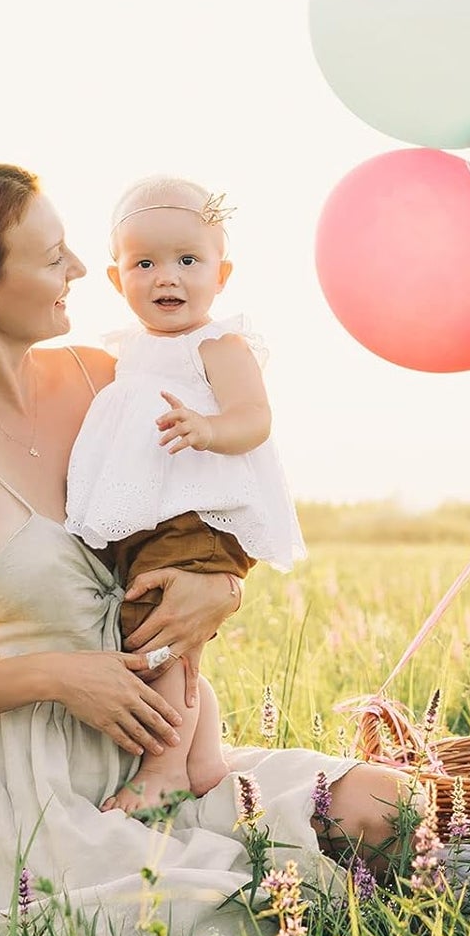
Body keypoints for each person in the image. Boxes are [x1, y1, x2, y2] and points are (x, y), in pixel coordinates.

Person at [0, 161, 411, 936]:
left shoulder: (110, 378)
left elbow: (212, 495)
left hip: (167, 752)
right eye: (52, 257)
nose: (81, 270)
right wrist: (58, 675)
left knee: (389, 806)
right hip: (36, 794)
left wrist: (223, 584)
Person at [64, 175, 301, 817]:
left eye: (188, 260)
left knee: (158, 633)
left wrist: (210, 429)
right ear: (118, 279)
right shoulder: (131, 351)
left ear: (221, 273)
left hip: (201, 511)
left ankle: (163, 768)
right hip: (154, 514)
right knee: (167, 636)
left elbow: (255, 416)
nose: (167, 277)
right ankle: (203, 760)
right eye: (145, 262)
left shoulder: (217, 343)